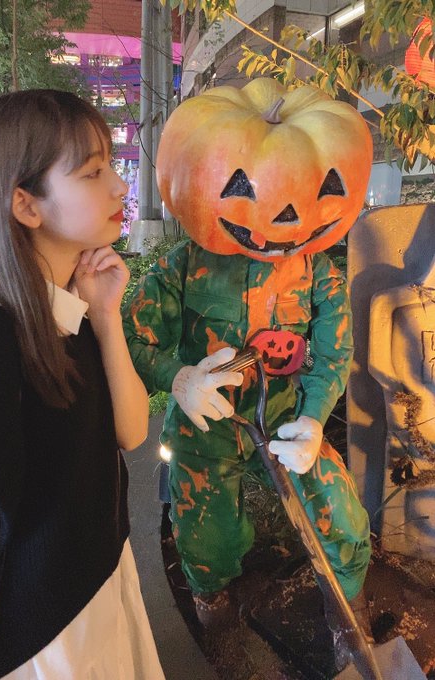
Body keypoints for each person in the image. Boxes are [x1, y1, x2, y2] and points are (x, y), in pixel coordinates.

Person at [123, 77, 374, 671]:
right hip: (205, 428)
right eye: (240, 186)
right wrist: (178, 379)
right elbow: (134, 336)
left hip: (285, 419)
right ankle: (216, 614)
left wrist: (313, 419)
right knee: (205, 536)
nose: (286, 217)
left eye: (321, 189)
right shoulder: (182, 266)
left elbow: (333, 350)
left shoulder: (317, 272)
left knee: (338, 511)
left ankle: (348, 611)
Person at [0, 89, 165, 680]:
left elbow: (131, 432)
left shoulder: (68, 313)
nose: (120, 187)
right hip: (41, 645)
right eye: (93, 172)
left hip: (100, 592)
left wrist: (106, 317)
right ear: (26, 205)